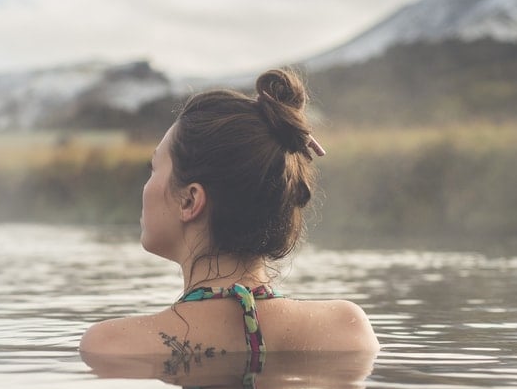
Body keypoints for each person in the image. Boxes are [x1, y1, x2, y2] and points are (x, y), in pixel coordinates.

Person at [79, 68, 379, 357]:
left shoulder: (113, 345)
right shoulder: (347, 330)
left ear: (190, 201)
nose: (145, 187)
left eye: (153, 168)